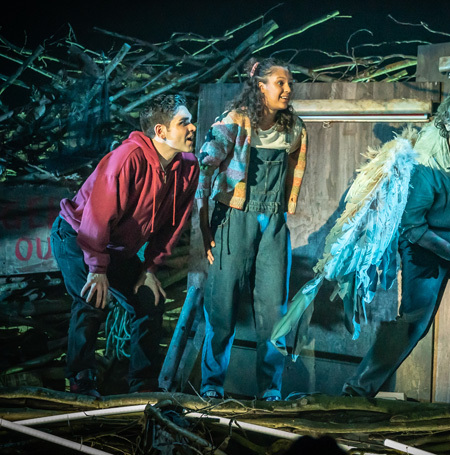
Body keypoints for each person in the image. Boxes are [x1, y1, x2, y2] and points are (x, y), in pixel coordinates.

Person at [342, 84, 450, 398]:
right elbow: (413, 228)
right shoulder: (424, 159)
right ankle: (358, 391)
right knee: (415, 320)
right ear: (448, 122)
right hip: (424, 238)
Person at [50, 93, 199, 397]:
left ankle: (143, 385)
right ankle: (81, 381)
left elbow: (172, 225)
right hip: (78, 237)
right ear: (160, 131)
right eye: (184, 122)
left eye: (191, 121)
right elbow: (96, 217)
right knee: (93, 299)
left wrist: (149, 268)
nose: (192, 127)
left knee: (149, 301)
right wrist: (96, 268)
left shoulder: (188, 167)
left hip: (115, 249)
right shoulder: (127, 158)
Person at [196, 57, 308, 401]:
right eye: (280, 83)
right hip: (235, 220)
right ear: (260, 86)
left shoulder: (294, 129)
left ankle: (270, 389)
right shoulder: (236, 121)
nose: (287, 89)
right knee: (222, 307)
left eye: (288, 84)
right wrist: (206, 230)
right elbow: (206, 166)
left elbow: (292, 171)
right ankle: (212, 386)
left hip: (273, 224)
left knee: (274, 311)